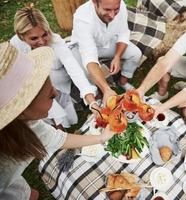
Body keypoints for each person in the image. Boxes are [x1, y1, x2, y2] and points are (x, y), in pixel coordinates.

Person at [0, 42, 115, 200]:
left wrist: (102, 138)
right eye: (51, 95)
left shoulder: (28, 124)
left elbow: (59, 138)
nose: (56, 93)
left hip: (11, 180)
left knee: (29, 194)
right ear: (20, 112)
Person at [10, 7, 101, 129]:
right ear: (21, 37)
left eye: (44, 34)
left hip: (57, 80)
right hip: (31, 85)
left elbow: (74, 70)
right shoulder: (15, 46)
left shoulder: (56, 41)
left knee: (77, 61)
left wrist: (92, 102)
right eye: (34, 38)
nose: (42, 42)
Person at [71, 0, 142, 101]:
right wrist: (106, 89)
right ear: (95, 2)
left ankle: (122, 82)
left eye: (116, 9)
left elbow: (123, 33)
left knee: (135, 54)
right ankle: (97, 96)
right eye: (107, 10)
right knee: (86, 72)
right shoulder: (82, 18)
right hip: (81, 48)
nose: (112, 15)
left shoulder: (120, 5)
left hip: (106, 42)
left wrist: (117, 56)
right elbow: (89, 56)